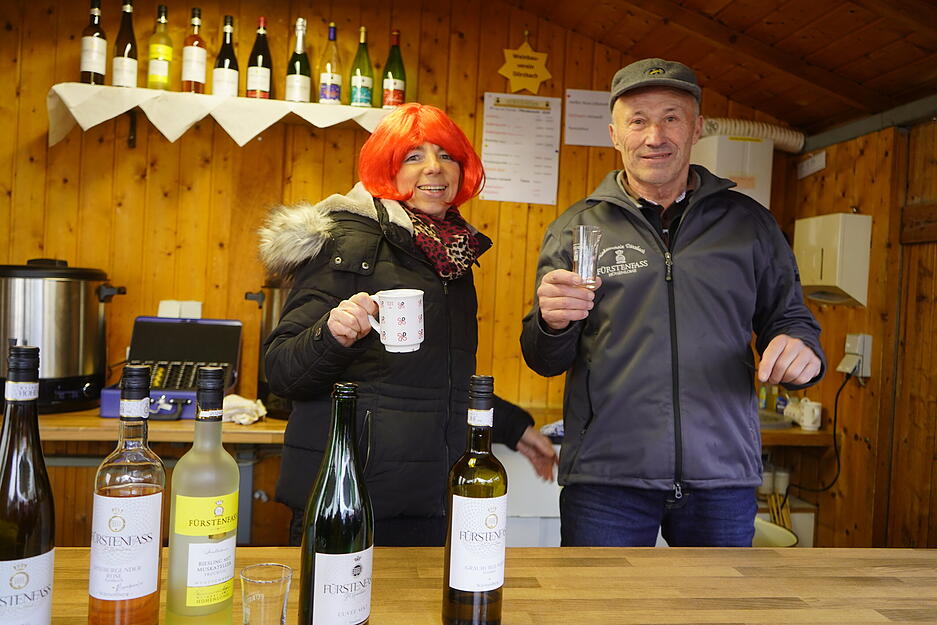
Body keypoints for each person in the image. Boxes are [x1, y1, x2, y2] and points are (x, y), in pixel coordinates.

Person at [520, 58, 825, 547]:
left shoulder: (749, 224)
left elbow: (790, 319)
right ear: (615, 133)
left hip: (721, 476)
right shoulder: (577, 228)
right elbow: (544, 358)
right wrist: (552, 325)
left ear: (697, 128)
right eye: (638, 121)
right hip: (607, 480)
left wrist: (801, 348)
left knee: (716, 614)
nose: (654, 136)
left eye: (671, 117)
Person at [259, 103, 557, 547]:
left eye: (447, 155)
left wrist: (512, 426)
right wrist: (333, 335)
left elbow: (435, 376)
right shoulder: (348, 240)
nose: (435, 168)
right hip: (351, 495)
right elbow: (281, 370)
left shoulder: (449, 253)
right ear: (386, 169)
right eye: (413, 156)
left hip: (426, 498)